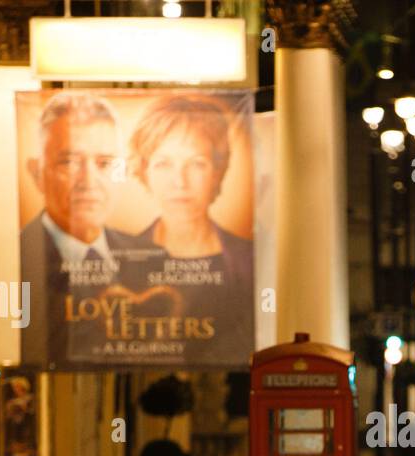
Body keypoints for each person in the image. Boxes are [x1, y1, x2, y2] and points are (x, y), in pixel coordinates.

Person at [126, 93, 254, 365]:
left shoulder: (249, 261)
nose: (179, 181)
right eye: (163, 164)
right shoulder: (120, 261)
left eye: (197, 163)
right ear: (143, 171)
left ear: (218, 171)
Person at [19, 91, 140, 366]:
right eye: (70, 162)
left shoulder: (150, 257)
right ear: (38, 172)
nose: (89, 181)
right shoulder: (16, 261)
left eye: (104, 164)